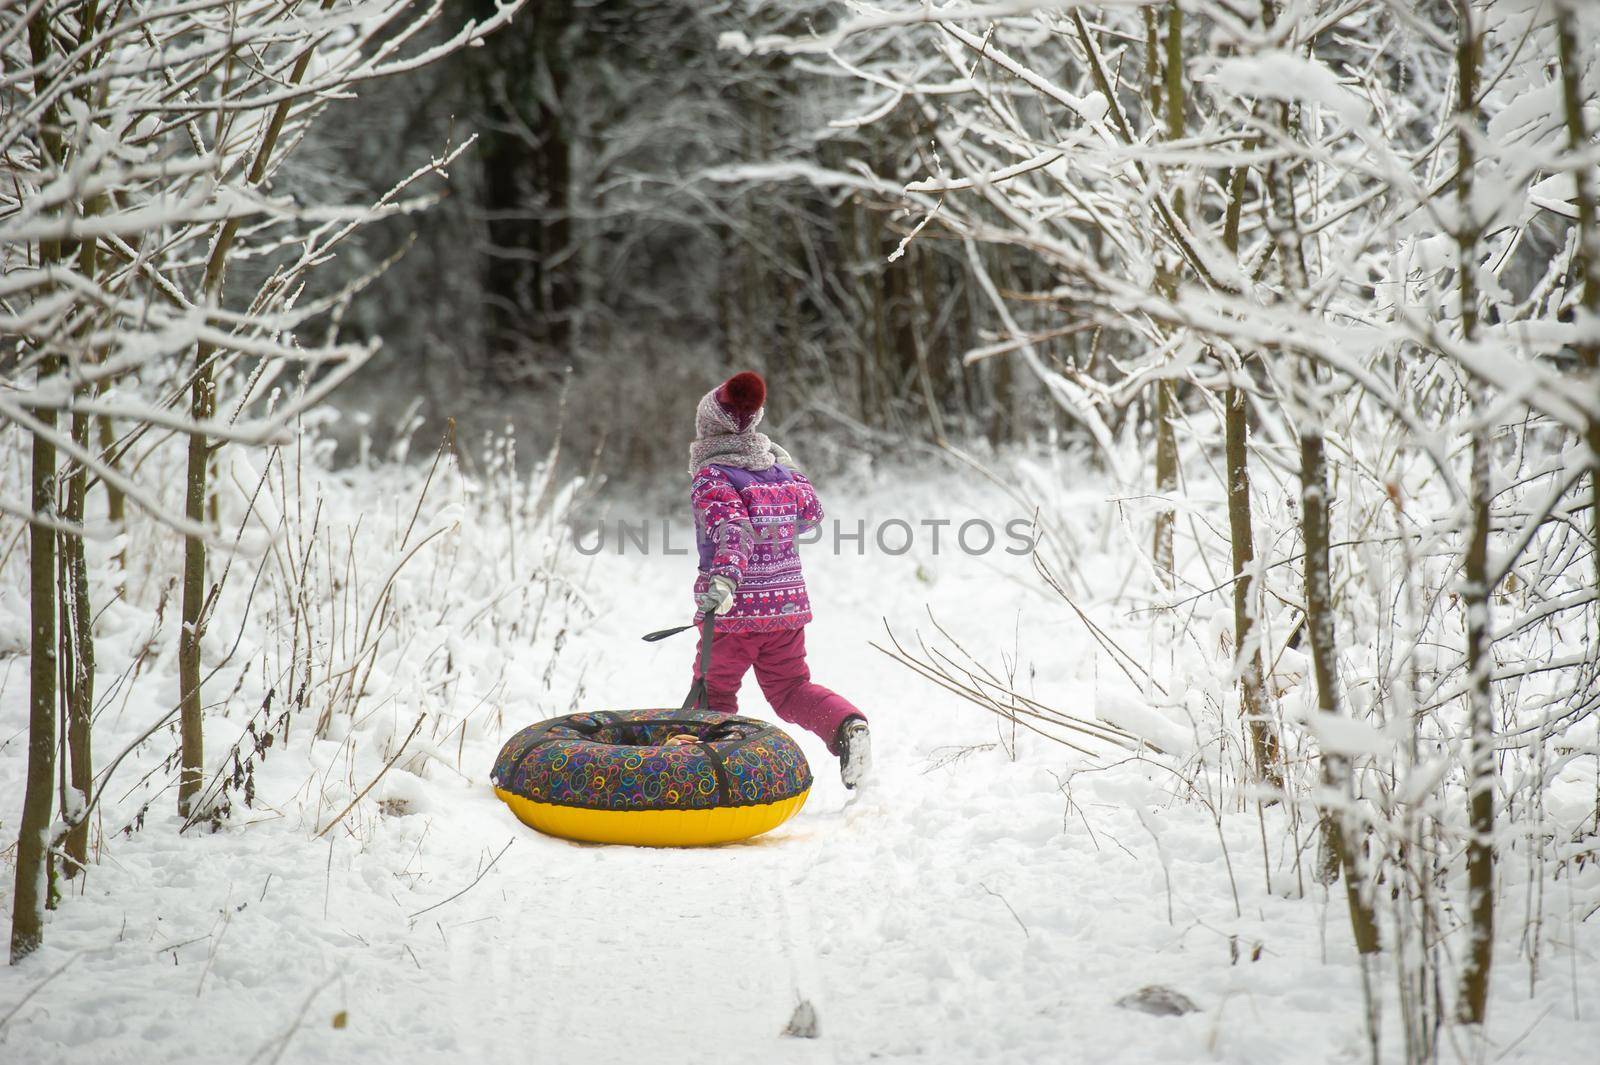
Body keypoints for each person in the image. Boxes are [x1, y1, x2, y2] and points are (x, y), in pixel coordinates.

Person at [687, 371, 871, 787]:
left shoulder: (713, 476)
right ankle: (846, 726)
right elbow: (810, 515)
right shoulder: (778, 473)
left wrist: (726, 582)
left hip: (734, 613)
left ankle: (708, 778)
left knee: (712, 694)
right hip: (786, 609)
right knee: (790, 690)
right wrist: (791, 472)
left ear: (707, 428)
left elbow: (735, 530)